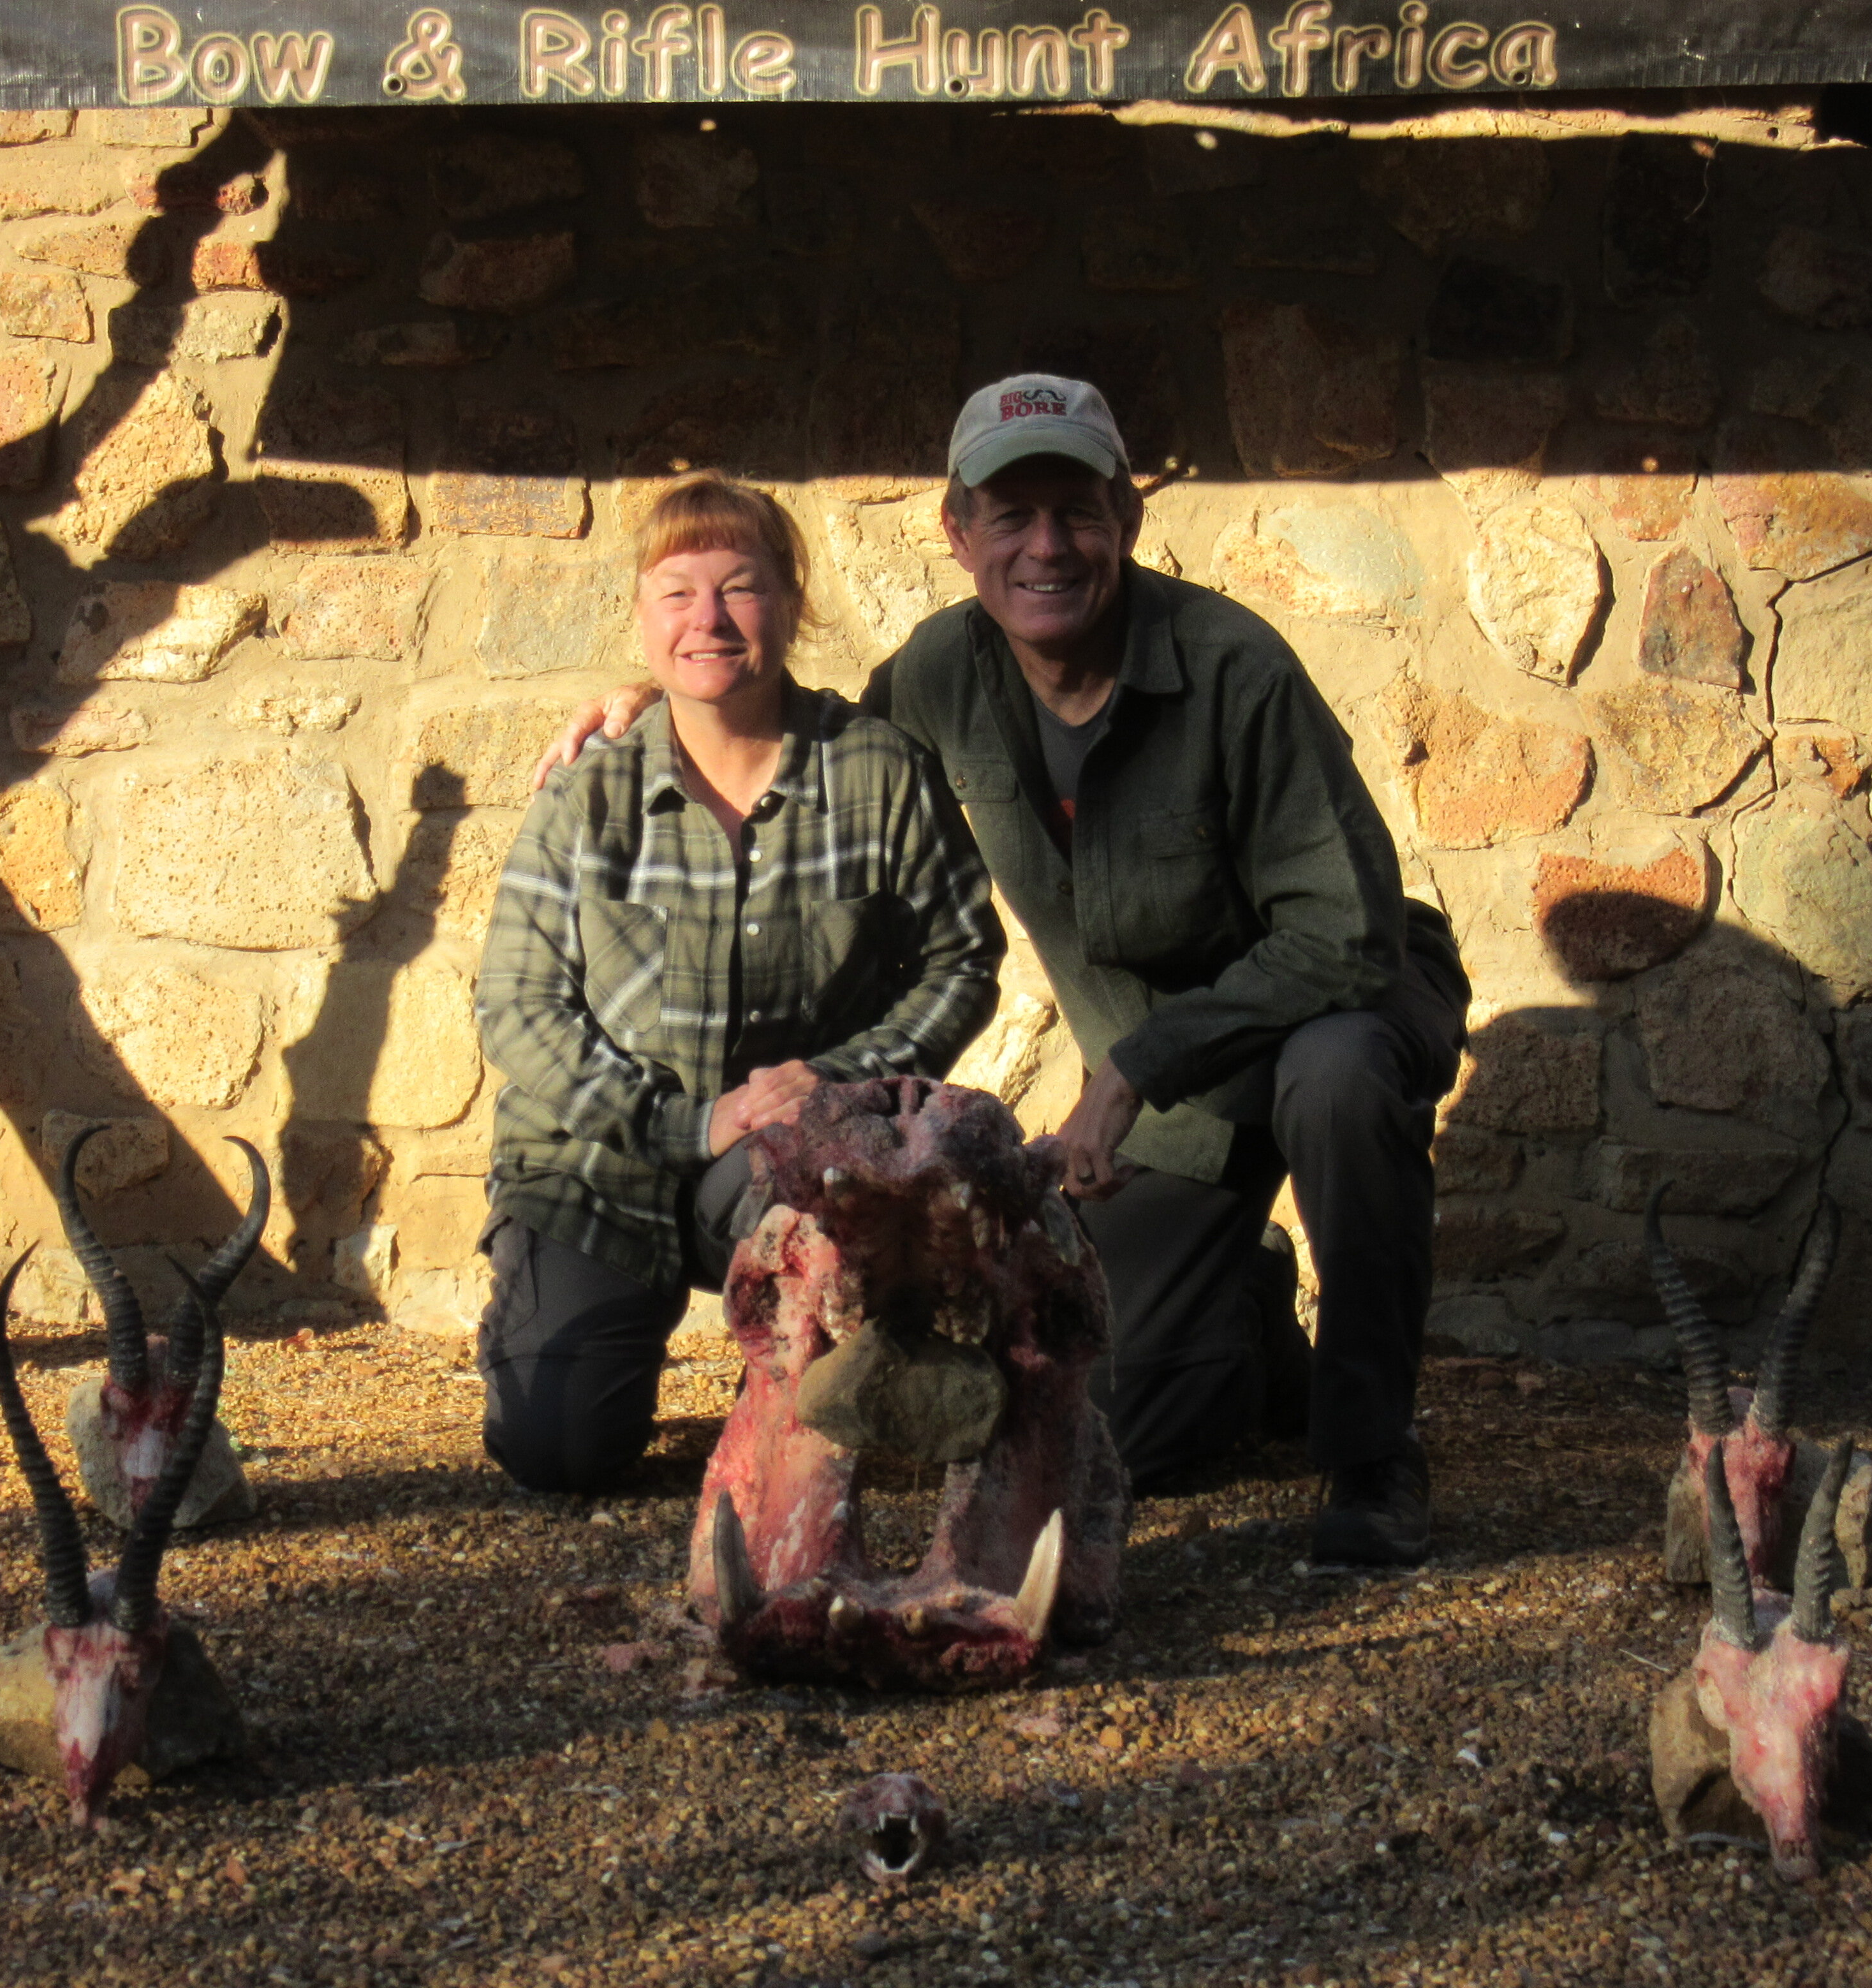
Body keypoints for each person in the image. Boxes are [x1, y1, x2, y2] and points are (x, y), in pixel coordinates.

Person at [545, 378, 1470, 1565]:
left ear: (1126, 523)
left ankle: (1374, 1455)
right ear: (958, 532)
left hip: (1336, 1006)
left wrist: (1131, 1068)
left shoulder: (1234, 667)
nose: (1047, 546)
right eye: (1011, 514)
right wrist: (673, 700)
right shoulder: (942, 673)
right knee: (1119, 1423)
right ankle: (1246, 1315)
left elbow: (1346, 934)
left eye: (1077, 512)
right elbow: (823, 755)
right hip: (1179, 1092)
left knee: (1335, 1078)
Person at [473, 473, 1003, 1496]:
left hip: (784, 1159)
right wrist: (688, 1123)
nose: (707, 620)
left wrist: (834, 1082)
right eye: (677, 593)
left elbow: (961, 961)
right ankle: (588, 1331)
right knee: (559, 1454)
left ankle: (811, 1387)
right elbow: (520, 1006)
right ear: (640, 617)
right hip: (594, 1168)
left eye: (740, 589)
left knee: (838, 1434)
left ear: (793, 604)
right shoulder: (588, 796)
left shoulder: (877, 774)